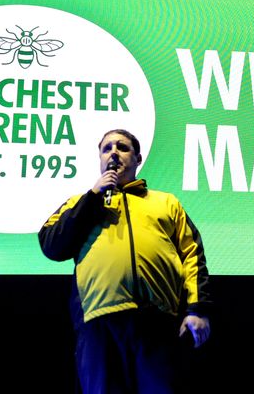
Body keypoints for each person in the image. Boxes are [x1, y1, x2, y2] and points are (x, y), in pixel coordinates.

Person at [39, 129, 213, 394]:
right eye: (107, 148)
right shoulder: (80, 203)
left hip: (157, 322)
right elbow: (52, 245)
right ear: (99, 159)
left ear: (137, 158)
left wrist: (196, 310)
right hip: (99, 324)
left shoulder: (166, 203)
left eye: (122, 147)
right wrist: (92, 198)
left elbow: (192, 256)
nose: (114, 153)